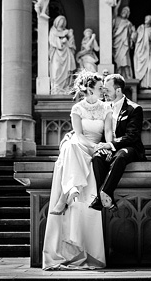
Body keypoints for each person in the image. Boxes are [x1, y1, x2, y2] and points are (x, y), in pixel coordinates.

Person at [42, 71, 113, 270]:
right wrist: (92, 148)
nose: (103, 91)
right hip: (82, 144)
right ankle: (71, 188)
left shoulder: (106, 108)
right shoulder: (77, 108)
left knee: (74, 150)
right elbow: (79, 135)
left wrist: (106, 147)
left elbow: (108, 133)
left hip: (98, 146)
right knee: (71, 146)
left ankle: (68, 192)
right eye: (100, 88)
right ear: (90, 89)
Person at [89, 73, 146, 212]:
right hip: (110, 147)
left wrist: (111, 145)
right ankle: (107, 198)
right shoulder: (103, 108)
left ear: (118, 90)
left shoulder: (134, 109)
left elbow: (132, 136)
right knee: (97, 158)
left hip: (130, 148)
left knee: (120, 156)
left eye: (107, 90)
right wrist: (105, 148)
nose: (104, 93)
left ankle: (102, 194)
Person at [133, 15, 151, 92]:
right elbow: (135, 38)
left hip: (149, 52)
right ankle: (143, 86)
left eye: (148, 19)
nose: (146, 20)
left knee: (150, 67)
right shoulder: (141, 28)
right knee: (143, 69)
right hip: (141, 52)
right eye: (145, 18)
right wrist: (134, 34)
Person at [49, 15, 77, 94]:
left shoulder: (67, 32)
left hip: (66, 53)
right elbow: (52, 42)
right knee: (56, 69)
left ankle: (65, 88)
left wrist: (71, 36)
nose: (62, 24)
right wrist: (61, 42)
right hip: (57, 54)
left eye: (63, 22)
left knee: (66, 72)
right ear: (56, 22)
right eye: (60, 22)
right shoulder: (53, 31)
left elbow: (71, 44)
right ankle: (56, 88)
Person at [112, 6, 136, 80]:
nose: (123, 12)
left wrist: (132, 37)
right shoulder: (117, 19)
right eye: (123, 11)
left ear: (128, 14)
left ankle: (127, 76)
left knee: (125, 60)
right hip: (117, 42)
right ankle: (118, 75)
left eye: (125, 12)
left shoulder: (128, 23)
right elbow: (112, 27)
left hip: (125, 44)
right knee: (118, 61)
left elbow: (133, 33)